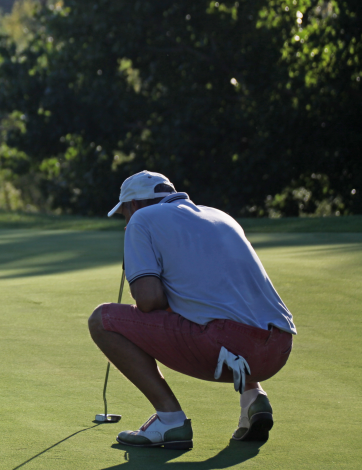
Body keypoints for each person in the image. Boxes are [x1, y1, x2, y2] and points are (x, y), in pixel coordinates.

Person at [88, 170, 296, 449]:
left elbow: (148, 301)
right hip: (277, 348)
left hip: (228, 346)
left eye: (125, 212)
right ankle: (253, 397)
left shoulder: (141, 219)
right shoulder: (220, 215)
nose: (126, 219)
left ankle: (170, 420)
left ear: (134, 205)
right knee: (208, 306)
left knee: (102, 320)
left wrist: (136, 256)